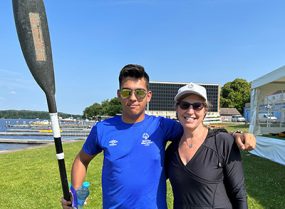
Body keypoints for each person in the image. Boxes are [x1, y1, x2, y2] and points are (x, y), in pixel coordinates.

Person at [62, 64, 254, 209]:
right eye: (127, 92)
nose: (133, 98)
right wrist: (77, 193)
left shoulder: (161, 126)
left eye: (139, 92)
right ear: (119, 94)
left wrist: (236, 134)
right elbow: (81, 159)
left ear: (149, 96)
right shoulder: (102, 129)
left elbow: (199, 130)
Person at [165, 83, 248, 209]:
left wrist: (238, 134)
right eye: (184, 105)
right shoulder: (171, 150)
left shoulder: (223, 142)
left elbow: (239, 194)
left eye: (197, 106)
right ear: (177, 109)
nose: (190, 111)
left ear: (205, 110)